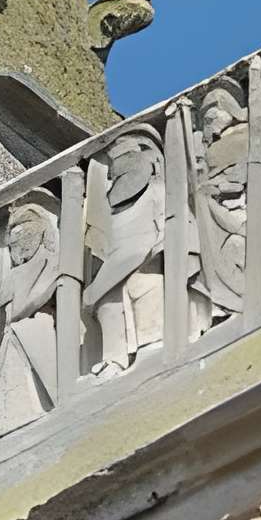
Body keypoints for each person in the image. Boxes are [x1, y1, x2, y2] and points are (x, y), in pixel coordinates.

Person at [82, 132, 164, 375]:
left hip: (145, 257)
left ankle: (151, 342)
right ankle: (114, 359)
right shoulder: (108, 207)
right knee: (106, 302)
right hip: (117, 260)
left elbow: (166, 221)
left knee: (143, 285)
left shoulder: (156, 189)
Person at [0, 199, 60, 435]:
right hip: (14, 337)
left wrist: (15, 313)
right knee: (14, 386)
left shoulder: (54, 263)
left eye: (24, 231)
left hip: (39, 330)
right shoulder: (13, 276)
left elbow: (43, 296)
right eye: (14, 236)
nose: (18, 239)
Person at [187, 82, 248, 328]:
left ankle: (235, 299)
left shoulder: (245, 136)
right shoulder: (207, 150)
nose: (209, 123)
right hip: (213, 217)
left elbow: (246, 173)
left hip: (239, 210)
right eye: (205, 119)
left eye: (213, 116)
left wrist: (220, 187)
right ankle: (220, 304)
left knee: (236, 247)